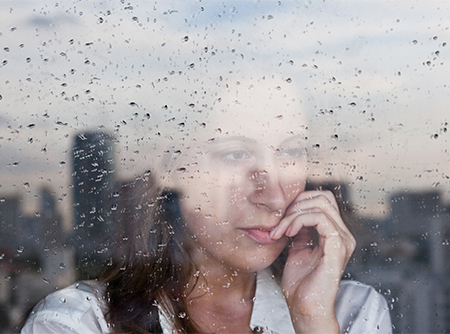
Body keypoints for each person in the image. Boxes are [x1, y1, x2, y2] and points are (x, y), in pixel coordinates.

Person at [21, 70, 392, 334]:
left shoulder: (349, 313)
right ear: (175, 170)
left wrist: (312, 323)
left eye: (290, 151)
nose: (275, 195)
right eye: (234, 155)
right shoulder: (77, 324)